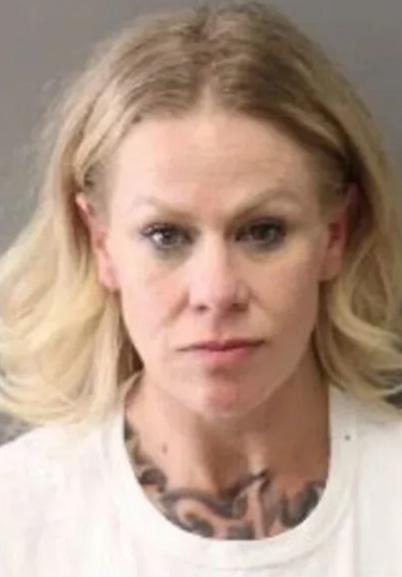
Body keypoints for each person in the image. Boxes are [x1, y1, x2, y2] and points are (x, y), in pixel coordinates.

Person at [0, 1, 402, 575]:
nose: (216, 291)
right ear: (101, 243)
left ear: (334, 234)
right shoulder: (19, 519)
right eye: (166, 235)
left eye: (263, 231)